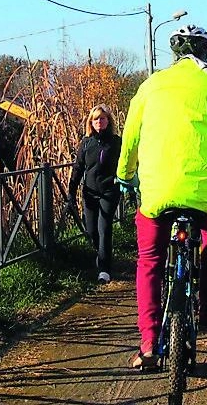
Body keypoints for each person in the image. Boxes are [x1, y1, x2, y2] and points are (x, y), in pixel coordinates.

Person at [115, 24, 207, 369]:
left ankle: (149, 344)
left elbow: (130, 138)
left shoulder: (150, 86)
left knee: (150, 261)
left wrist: (124, 175)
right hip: (206, 194)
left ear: (174, 53)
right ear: (206, 52)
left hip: (157, 194)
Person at [68, 104, 122, 284]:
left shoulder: (116, 142)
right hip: (90, 192)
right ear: (91, 122)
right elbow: (78, 167)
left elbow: (124, 165)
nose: (99, 121)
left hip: (109, 191)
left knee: (104, 228)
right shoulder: (86, 143)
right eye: (96, 119)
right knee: (91, 230)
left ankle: (104, 270)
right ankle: (100, 256)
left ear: (109, 121)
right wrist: (71, 191)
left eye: (103, 118)